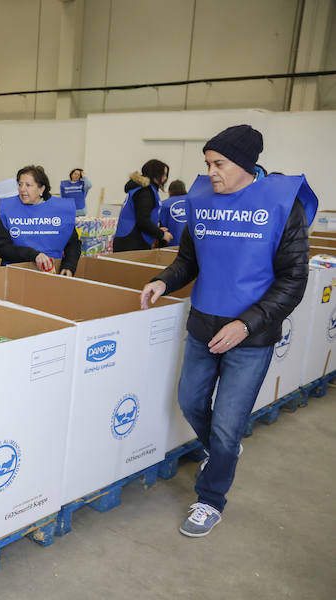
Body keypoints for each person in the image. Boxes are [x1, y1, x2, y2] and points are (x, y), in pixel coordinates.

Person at [140, 125, 317, 538]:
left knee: (226, 422)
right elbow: (188, 260)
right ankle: (224, 450)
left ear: (246, 164)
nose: (211, 172)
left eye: (219, 164)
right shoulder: (201, 201)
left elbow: (293, 278)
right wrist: (164, 280)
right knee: (190, 401)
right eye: (207, 163)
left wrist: (246, 323)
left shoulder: (280, 204)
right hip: (204, 324)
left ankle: (210, 499)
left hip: (251, 337)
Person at [0, 165, 81, 276]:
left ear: (41, 189)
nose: (22, 189)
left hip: (50, 275)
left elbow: (73, 244)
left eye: (28, 185)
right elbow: (2, 248)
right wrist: (33, 255)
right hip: (15, 273)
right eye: (20, 184)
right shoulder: (9, 209)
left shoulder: (60, 211)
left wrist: (69, 266)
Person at [113, 159, 173, 252]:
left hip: (130, 240)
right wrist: (162, 234)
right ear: (155, 174)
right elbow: (143, 221)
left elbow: (140, 218)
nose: (165, 178)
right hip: (131, 243)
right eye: (163, 174)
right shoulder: (145, 191)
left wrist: (155, 230)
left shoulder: (143, 189)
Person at [158, 179, 188, 246]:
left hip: (170, 243)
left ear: (169, 191)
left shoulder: (163, 204)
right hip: (188, 246)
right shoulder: (192, 203)